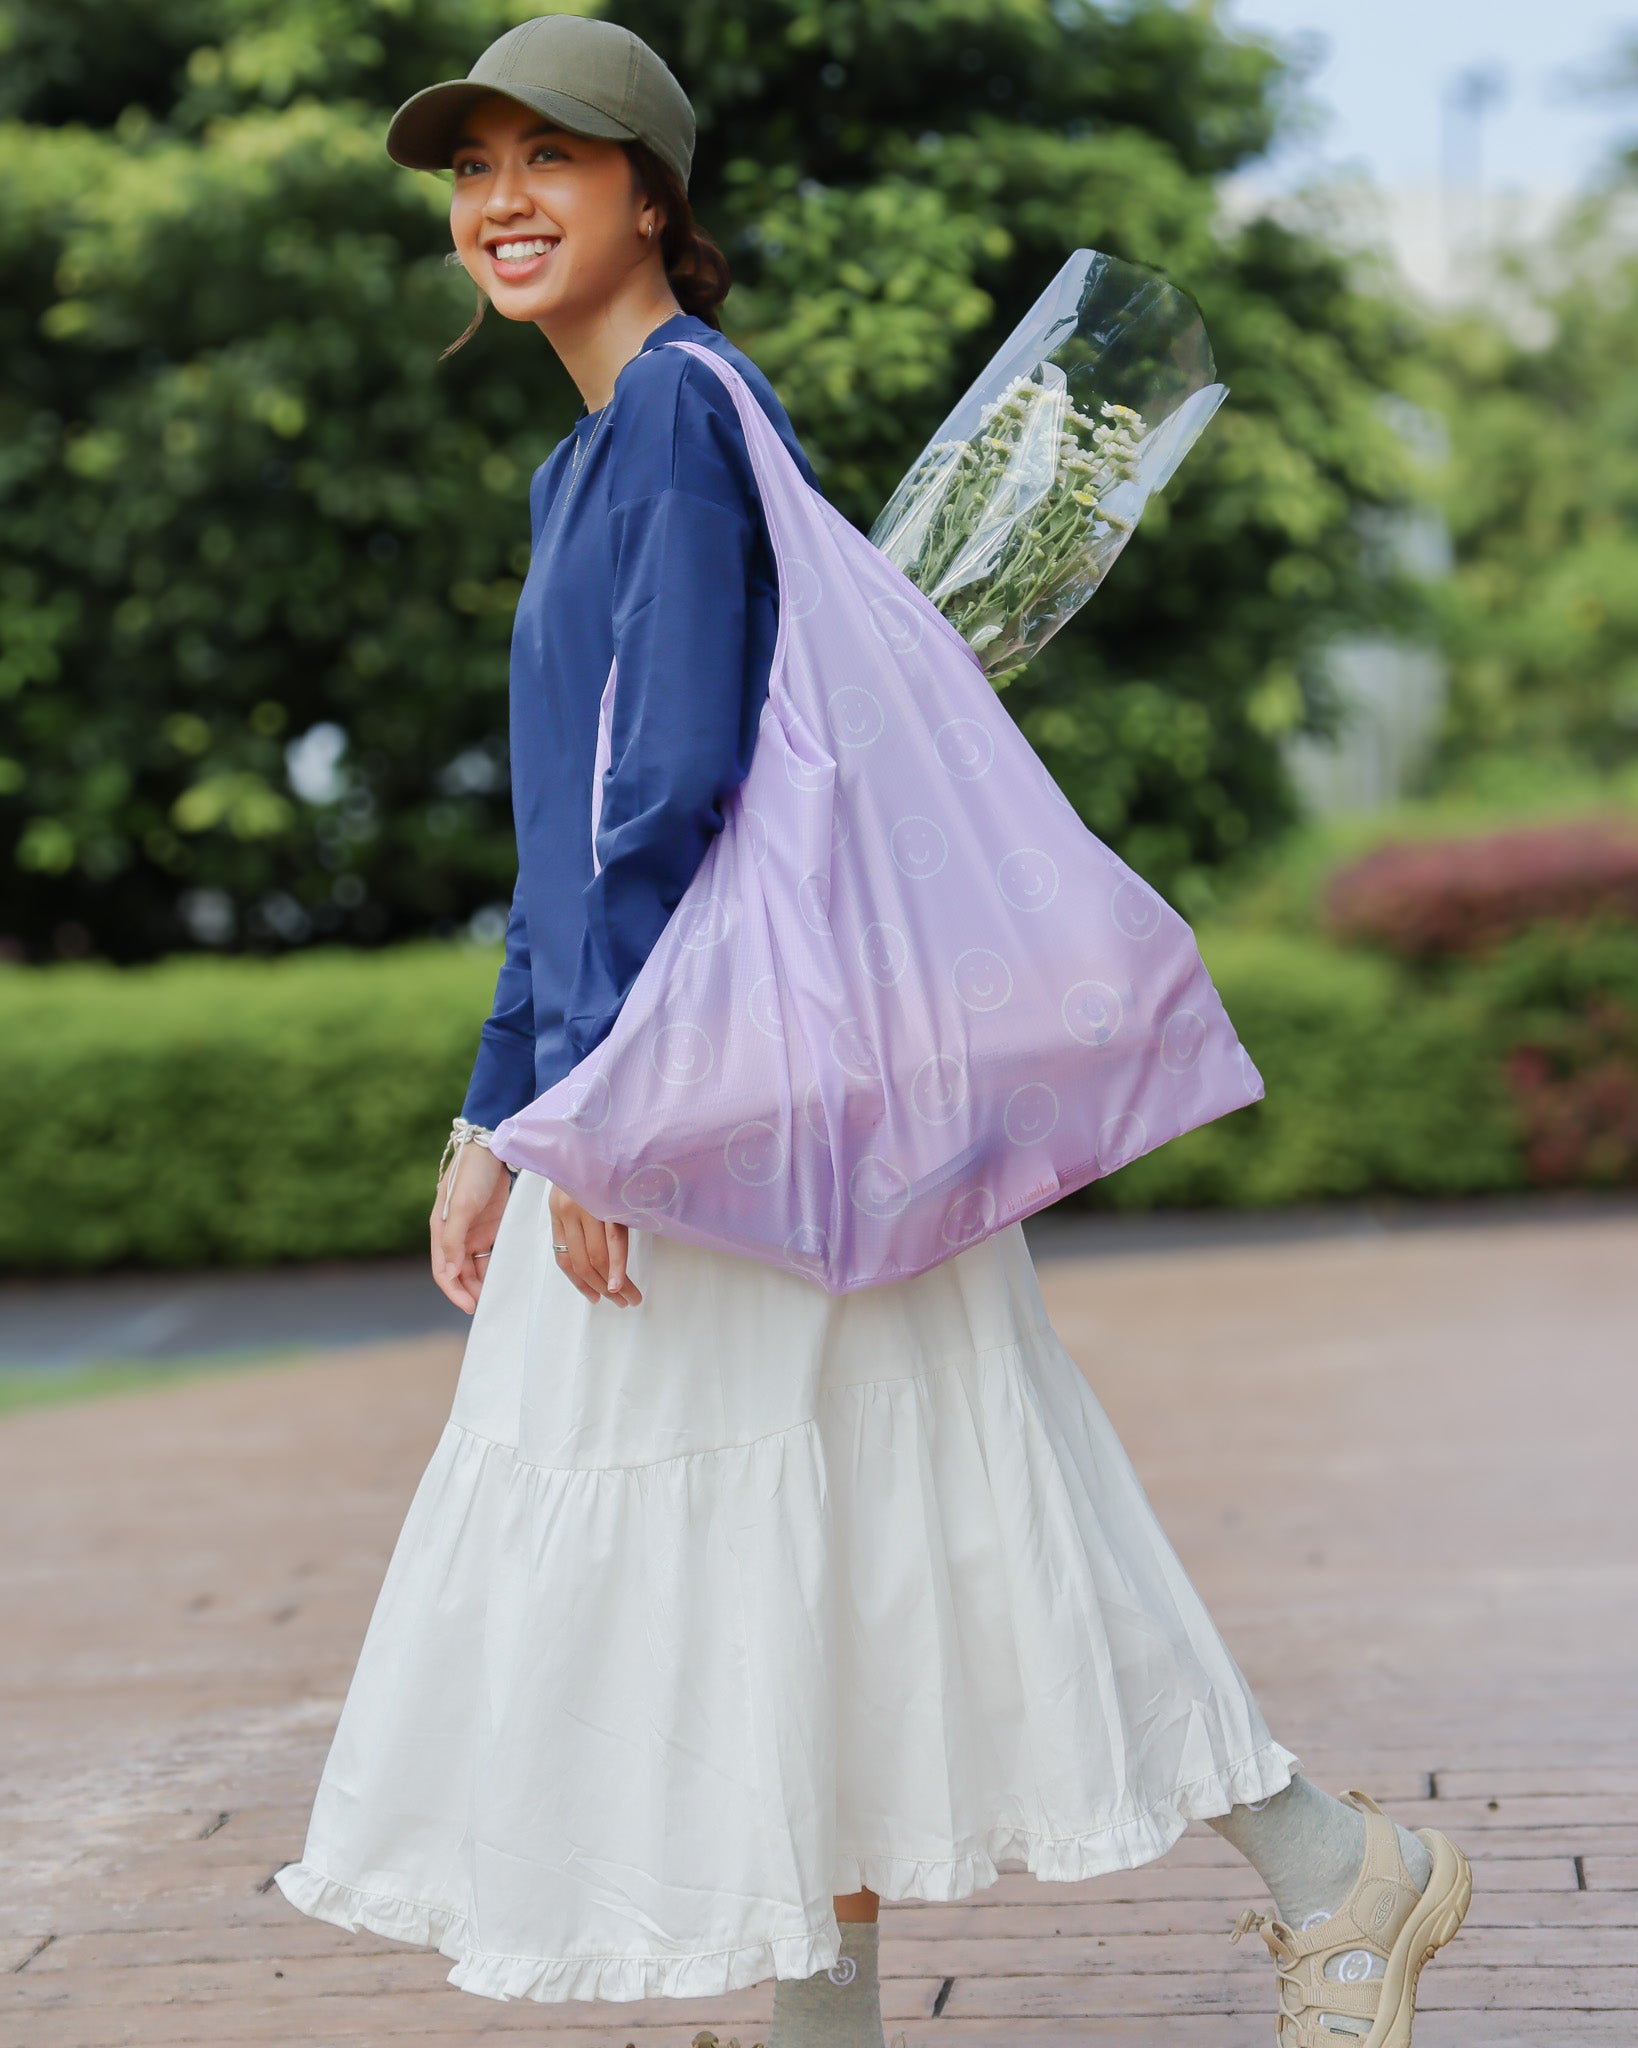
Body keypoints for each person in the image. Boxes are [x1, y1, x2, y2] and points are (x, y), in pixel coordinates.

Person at [275, 17, 1473, 2046]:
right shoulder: (610, 446)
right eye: (473, 166)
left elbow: (657, 801)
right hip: (738, 1093)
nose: (501, 200)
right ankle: (1319, 1869)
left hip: (719, 1107)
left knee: (841, 1543)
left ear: (649, 193)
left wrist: (596, 1119)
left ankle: (1322, 1862)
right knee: (821, 1565)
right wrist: (499, 1107)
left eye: (551, 159)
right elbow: (571, 831)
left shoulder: (670, 412)